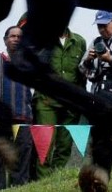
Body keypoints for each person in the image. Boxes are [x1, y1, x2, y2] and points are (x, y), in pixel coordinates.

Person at [29, 22, 87, 170]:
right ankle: (42, 184)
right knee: (44, 148)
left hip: (71, 103)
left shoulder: (79, 42)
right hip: (46, 101)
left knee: (64, 147)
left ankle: (54, 180)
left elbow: (83, 72)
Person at [0, 25, 35, 190]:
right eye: (12, 36)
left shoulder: (29, 64)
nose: (16, 39)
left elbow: (33, 90)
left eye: (19, 37)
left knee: (22, 157)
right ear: (5, 40)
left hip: (23, 117)